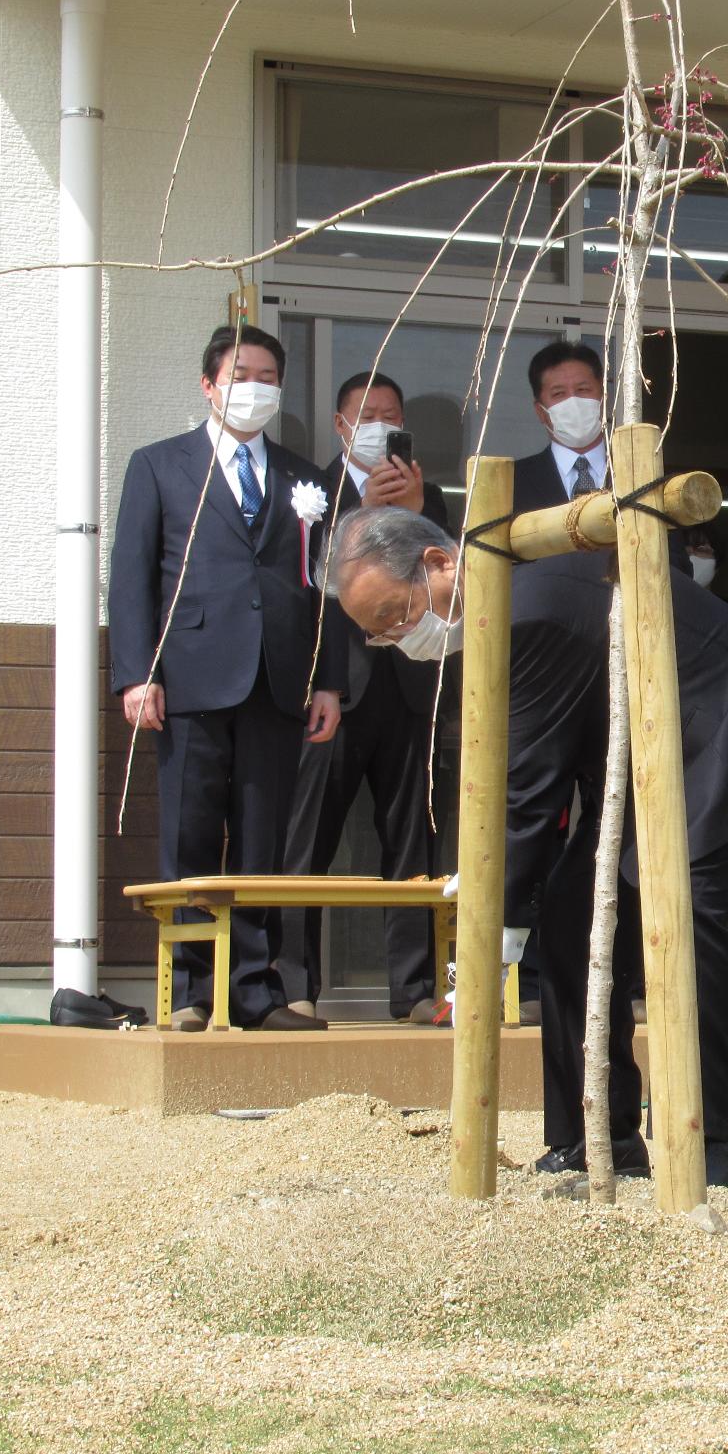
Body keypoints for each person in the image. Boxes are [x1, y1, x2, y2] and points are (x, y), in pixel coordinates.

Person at [326, 506, 728, 1188]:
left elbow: (530, 793)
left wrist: (496, 926)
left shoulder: (528, 608)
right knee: (572, 921)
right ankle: (595, 1137)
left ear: (437, 562)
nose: (397, 637)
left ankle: (712, 1149)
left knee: (681, 926)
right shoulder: (505, 602)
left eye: (395, 614)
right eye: (378, 634)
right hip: (643, 767)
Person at [106, 324, 343, 1032]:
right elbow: (131, 581)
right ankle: (188, 991)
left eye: (268, 376)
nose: (255, 388)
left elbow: (323, 585)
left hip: (277, 681)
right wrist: (136, 673)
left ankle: (256, 989)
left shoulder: (305, 477)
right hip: (189, 678)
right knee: (191, 836)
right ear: (208, 385)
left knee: (263, 841)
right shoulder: (159, 466)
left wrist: (327, 680)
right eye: (242, 374)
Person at [276, 370, 450, 1024]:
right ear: (341, 426)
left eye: (391, 414)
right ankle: (295, 984)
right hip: (335, 691)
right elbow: (306, 590)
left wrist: (409, 513)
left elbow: (447, 573)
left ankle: (413, 990)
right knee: (308, 842)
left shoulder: (430, 497)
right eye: (367, 414)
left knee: (411, 845)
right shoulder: (309, 492)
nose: (379, 424)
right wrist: (363, 515)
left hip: (409, 685)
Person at [512, 341, 610, 512]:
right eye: (558, 394)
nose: (573, 401)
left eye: (583, 389)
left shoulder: (640, 471)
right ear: (540, 411)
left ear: (604, 396)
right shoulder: (511, 482)